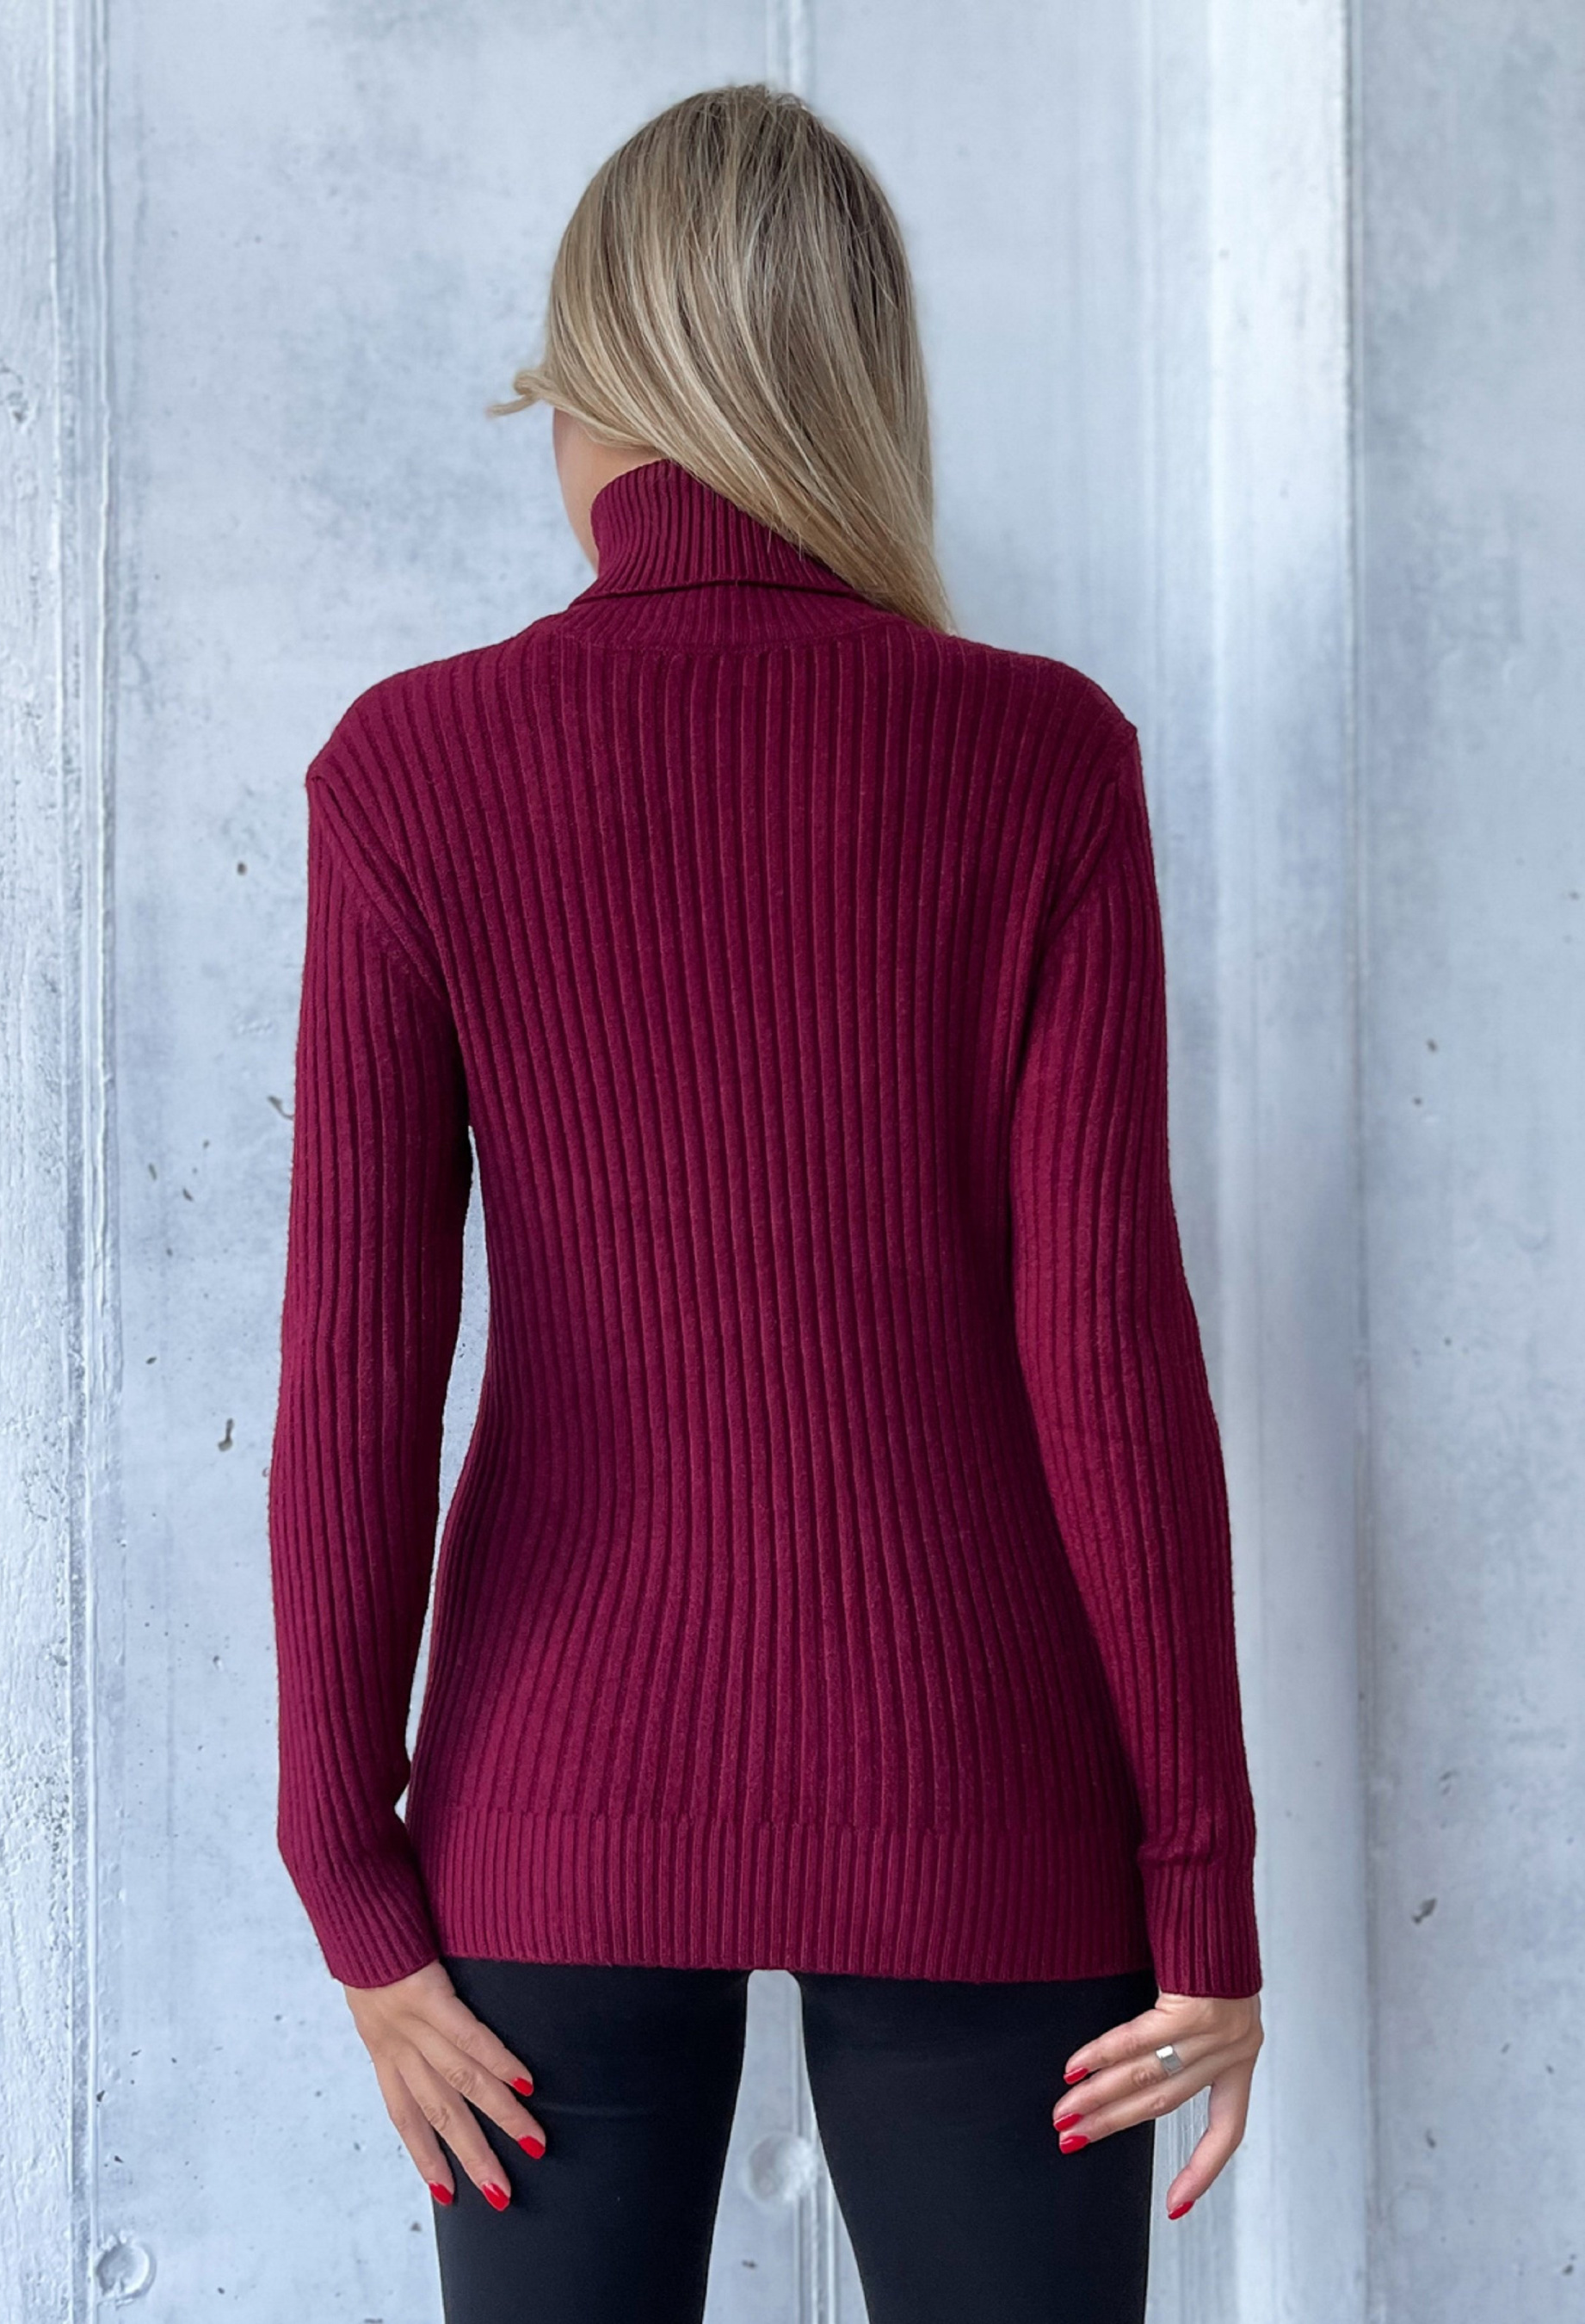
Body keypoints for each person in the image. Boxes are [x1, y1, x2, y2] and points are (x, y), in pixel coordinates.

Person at [268, 81, 1265, 2324]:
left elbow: (354, 1374)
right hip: (985, 1779)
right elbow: (1108, 1357)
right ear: (856, 396)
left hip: (551, 1789)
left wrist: (354, 1878)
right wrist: (1201, 1885)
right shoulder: (1039, 759)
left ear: (589, 399)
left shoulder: (414, 770)